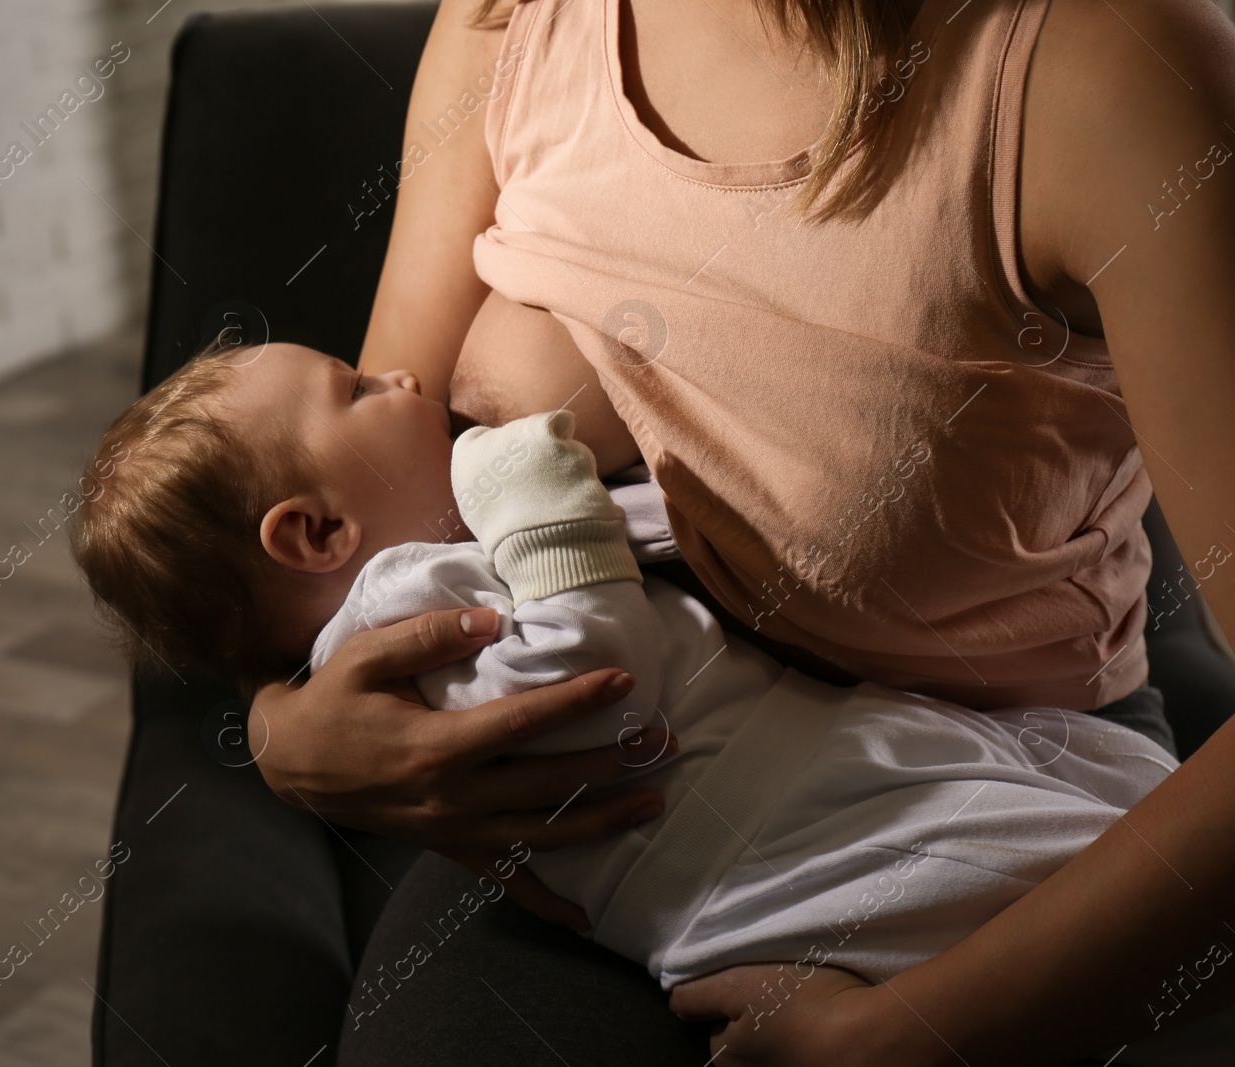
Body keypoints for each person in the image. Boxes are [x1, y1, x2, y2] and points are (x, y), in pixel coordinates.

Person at [244, 0, 1235, 1062]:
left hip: (974, 806)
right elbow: (377, 512)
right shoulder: (507, 23)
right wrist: (281, 731)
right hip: (603, 810)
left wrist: (913, 1037)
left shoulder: (1107, 62)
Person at [72, 339, 1218, 1064]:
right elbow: (592, 669)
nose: (405, 374)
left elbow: (647, 551)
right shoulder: (405, 610)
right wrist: (535, 492)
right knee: (1082, 870)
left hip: (831, 777)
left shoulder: (433, 563)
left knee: (1117, 799)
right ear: (316, 533)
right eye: (359, 390)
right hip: (790, 856)